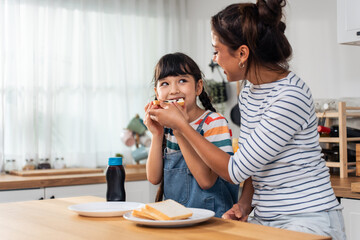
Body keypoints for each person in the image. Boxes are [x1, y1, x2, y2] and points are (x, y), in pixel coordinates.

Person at [148, 1, 346, 239]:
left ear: (242, 53)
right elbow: (254, 161)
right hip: (264, 217)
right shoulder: (250, 92)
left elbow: (235, 170)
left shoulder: (289, 97)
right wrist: (244, 204)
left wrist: (180, 125)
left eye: (216, 50)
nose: (215, 59)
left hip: (306, 219)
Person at [144, 52, 239, 218]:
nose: (173, 90)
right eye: (165, 83)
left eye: (182, 81)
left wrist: (179, 129)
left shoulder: (214, 122)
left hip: (214, 222)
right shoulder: (164, 128)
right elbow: (153, 178)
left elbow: (206, 181)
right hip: (177, 221)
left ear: (198, 87)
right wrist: (157, 134)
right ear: (157, 93)